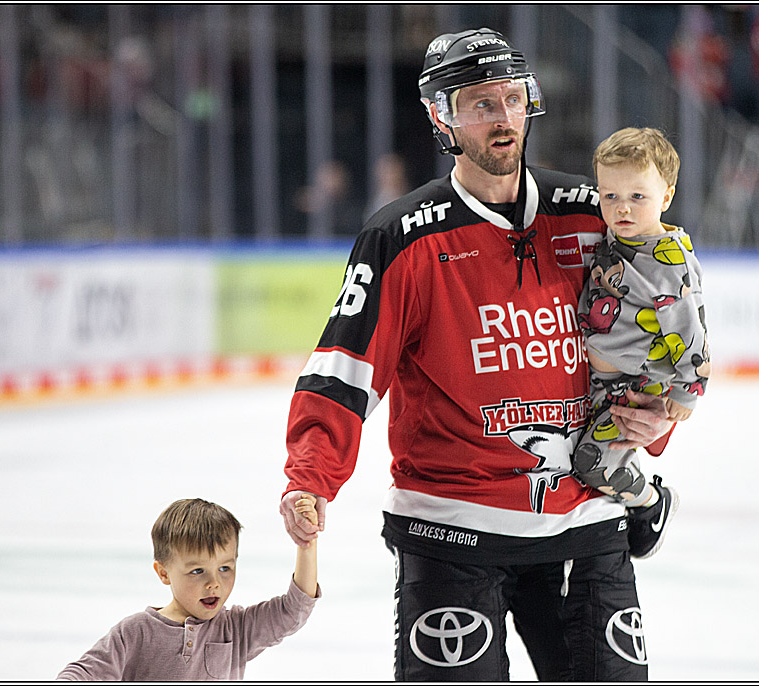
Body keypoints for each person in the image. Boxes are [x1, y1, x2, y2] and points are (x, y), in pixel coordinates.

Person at [279, 28, 674, 681]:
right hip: (450, 530)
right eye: (481, 104)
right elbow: (346, 369)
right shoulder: (402, 238)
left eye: (512, 99)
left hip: (582, 519)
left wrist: (654, 418)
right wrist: (310, 477)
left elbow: (654, 334)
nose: (503, 118)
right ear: (442, 117)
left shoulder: (591, 216)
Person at [571, 127, 711, 559]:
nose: (622, 208)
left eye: (637, 197)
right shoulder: (622, 236)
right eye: (610, 196)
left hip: (631, 389)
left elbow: (690, 330)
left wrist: (688, 390)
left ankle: (650, 501)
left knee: (591, 465)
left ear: (666, 197)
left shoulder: (668, 263)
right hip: (599, 382)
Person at [57, 497, 319, 680]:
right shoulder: (135, 632)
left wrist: (307, 544)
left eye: (225, 568)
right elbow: (80, 674)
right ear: (163, 573)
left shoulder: (237, 629)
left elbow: (295, 609)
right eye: (197, 571)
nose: (214, 583)